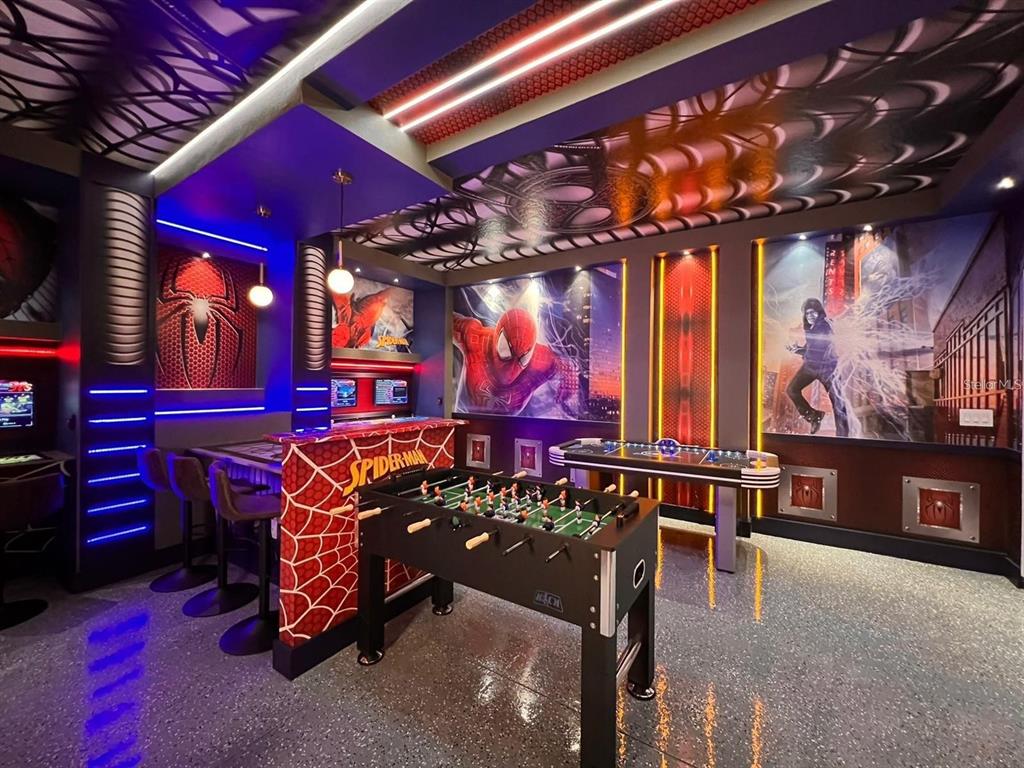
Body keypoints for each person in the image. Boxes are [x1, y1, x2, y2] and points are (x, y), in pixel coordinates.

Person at [785, 298, 850, 436]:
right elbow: (811, 348)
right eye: (807, 313)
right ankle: (814, 416)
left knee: (838, 404)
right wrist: (798, 350)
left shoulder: (824, 325)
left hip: (828, 370)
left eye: (813, 312)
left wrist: (801, 351)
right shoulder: (812, 328)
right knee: (792, 390)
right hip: (811, 368)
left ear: (819, 312)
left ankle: (843, 437)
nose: (810, 316)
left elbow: (819, 347)